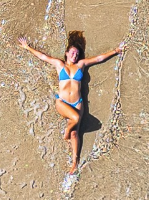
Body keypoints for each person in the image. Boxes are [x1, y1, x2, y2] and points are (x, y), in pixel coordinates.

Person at [17, 31, 122, 174]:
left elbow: (98, 59)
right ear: (66, 53)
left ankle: (74, 162)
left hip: (78, 103)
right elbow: (43, 57)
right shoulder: (59, 64)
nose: (75, 55)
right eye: (72, 53)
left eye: (77, 54)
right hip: (63, 103)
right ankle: (66, 132)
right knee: (76, 119)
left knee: (75, 134)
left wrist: (116, 51)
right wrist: (27, 47)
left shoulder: (81, 65)